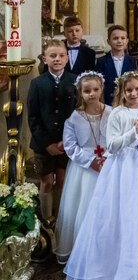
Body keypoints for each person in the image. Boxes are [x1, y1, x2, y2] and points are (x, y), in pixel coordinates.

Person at [64, 71, 138, 279]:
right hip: (126, 167)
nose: (134, 93)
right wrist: (135, 131)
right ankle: (125, 256)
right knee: (128, 208)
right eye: (129, 90)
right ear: (122, 91)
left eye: (137, 89)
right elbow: (112, 146)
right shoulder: (117, 113)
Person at [53, 71, 111, 265]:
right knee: (83, 209)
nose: (92, 94)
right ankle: (84, 249)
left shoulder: (111, 113)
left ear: (102, 89)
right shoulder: (74, 118)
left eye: (95, 89)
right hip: (84, 170)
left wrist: (107, 158)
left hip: (108, 166)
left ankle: (107, 247)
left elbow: (117, 138)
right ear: (80, 93)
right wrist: (89, 161)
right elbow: (70, 146)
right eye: (87, 91)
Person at [28, 40, 77, 223]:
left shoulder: (74, 81)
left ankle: (59, 220)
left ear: (67, 58)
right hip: (44, 144)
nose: (57, 59)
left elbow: (77, 114)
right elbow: (33, 117)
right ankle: (46, 219)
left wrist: (67, 140)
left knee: (62, 181)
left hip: (66, 142)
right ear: (44, 59)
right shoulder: (37, 83)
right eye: (52, 56)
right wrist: (47, 143)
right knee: (47, 182)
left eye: (61, 56)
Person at [96, 25, 136, 105]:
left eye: (123, 38)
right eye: (115, 38)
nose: (119, 41)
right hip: (108, 102)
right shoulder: (101, 61)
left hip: (128, 102)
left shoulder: (133, 61)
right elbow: (98, 84)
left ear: (127, 41)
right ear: (108, 41)